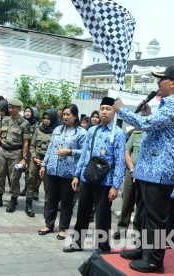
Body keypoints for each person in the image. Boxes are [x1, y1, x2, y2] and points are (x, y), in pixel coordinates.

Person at [113, 65, 174, 273]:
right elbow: (153, 126)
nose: (158, 83)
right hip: (149, 169)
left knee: (155, 218)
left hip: (161, 171)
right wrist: (147, 114)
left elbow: (146, 126)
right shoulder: (166, 105)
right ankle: (141, 250)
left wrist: (121, 109)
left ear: (173, 83)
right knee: (143, 215)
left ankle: (155, 260)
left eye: (161, 79)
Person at [63, 97, 126, 253]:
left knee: (102, 217)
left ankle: (103, 248)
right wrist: (77, 175)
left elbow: (120, 161)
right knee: (82, 213)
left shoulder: (117, 134)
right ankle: (77, 244)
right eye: (102, 108)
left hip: (105, 182)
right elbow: (84, 155)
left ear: (114, 111)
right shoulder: (92, 130)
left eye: (108, 108)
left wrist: (115, 186)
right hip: (87, 178)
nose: (104, 111)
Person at [38, 105, 86, 238]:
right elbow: (50, 148)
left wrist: (69, 151)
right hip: (53, 170)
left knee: (66, 201)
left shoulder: (81, 133)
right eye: (64, 114)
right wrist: (44, 164)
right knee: (51, 198)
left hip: (69, 173)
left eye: (68, 114)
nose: (65, 117)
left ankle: (63, 228)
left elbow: (85, 152)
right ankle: (49, 224)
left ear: (75, 116)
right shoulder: (57, 129)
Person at [0, 99, 31, 212]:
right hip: (3, 151)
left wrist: (24, 159)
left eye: (14, 108)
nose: (11, 110)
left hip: (16, 153)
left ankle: (13, 200)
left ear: (19, 109)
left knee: (14, 178)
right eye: (10, 107)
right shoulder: (4, 120)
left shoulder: (24, 123)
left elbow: (26, 142)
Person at [26, 109, 58, 217]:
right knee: (31, 181)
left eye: (48, 119)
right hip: (36, 159)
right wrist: (34, 157)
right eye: (44, 118)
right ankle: (28, 206)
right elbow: (32, 145)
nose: (46, 121)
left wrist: (46, 161)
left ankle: (46, 209)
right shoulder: (38, 129)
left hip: (48, 161)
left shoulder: (56, 131)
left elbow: (56, 148)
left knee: (48, 186)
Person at [113, 129, 143, 240]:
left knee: (141, 205)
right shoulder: (136, 134)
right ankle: (121, 229)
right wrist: (131, 168)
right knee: (127, 201)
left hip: (145, 175)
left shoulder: (154, 134)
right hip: (131, 172)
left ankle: (138, 233)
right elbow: (127, 151)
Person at [20, 106, 38, 196]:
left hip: (31, 149)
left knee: (29, 171)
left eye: (29, 111)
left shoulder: (36, 124)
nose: (27, 113)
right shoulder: (21, 122)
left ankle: (29, 189)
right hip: (21, 148)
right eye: (26, 111)